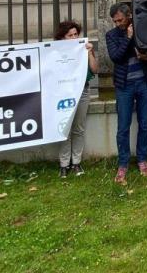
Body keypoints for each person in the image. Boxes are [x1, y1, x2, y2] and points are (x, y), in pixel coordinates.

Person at [106, 2, 147, 185]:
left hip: (144, 82)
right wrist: (128, 38)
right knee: (123, 126)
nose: (118, 23)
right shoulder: (111, 35)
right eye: (115, 21)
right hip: (124, 85)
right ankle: (123, 163)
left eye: (120, 19)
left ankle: (142, 159)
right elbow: (116, 57)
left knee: (144, 123)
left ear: (128, 16)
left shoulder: (141, 27)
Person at [53, 20, 100, 178]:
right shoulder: (57, 53)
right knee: (65, 128)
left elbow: (94, 69)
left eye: (75, 34)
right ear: (62, 38)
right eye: (69, 35)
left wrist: (89, 53)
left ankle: (76, 162)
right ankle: (64, 164)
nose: (74, 37)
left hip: (82, 92)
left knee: (78, 128)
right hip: (64, 93)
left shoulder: (84, 49)